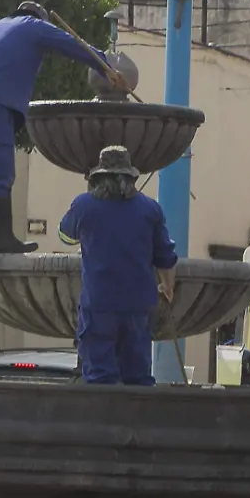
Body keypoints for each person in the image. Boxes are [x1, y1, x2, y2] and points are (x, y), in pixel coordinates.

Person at [0, 2, 129, 254]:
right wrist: (104, 65)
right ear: (39, 18)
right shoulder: (33, 26)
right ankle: (1, 239)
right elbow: (70, 43)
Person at [59, 146, 178, 386]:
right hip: (138, 305)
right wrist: (168, 287)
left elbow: (66, 236)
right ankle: (136, 420)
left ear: (98, 178)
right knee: (138, 375)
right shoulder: (150, 209)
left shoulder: (84, 205)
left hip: (99, 304)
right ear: (131, 178)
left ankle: (103, 419)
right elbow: (165, 257)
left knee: (99, 376)